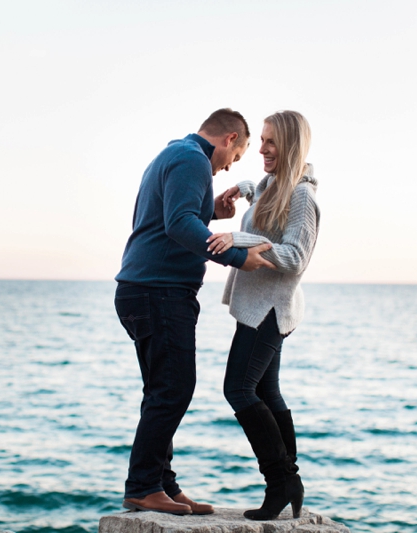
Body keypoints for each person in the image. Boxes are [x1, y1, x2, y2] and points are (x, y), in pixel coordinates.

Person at [114, 108, 276, 516]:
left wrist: (213, 211)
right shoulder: (192, 160)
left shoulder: (174, 153)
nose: (227, 168)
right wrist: (238, 257)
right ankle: (143, 486)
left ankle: (162, 484)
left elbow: (175, 217)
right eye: (235, 158)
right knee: (174, 388)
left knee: (162, 390)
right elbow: (178, 223)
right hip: (159, 291)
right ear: (230, 139)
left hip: (142, 289)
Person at [206, 110, 320, 520]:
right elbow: (266, 195)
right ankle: (291, 481)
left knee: (238, 390)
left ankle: (281, 481)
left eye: (271, 141)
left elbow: (294, 256)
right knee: (267, 393)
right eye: (262, 140)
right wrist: (243, 187)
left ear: (289, 145)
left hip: (270, 310)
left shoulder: (304, 197)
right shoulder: (272, 184)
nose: (262, 148)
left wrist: (239, 238)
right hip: (256, 308)